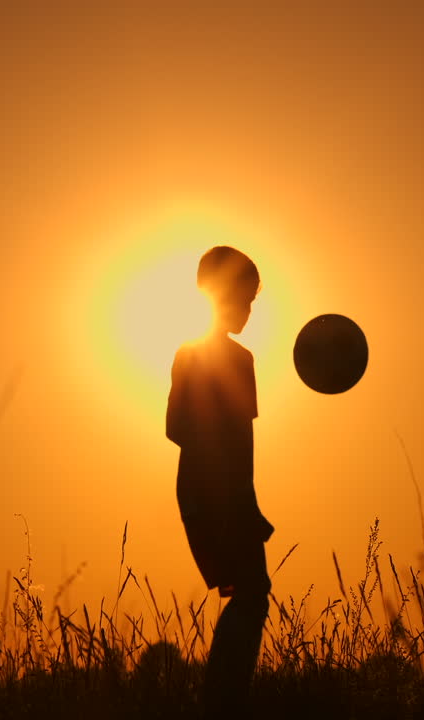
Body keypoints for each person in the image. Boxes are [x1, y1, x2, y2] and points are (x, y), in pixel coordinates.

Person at [166, 246, 273, 711]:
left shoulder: (190, 354)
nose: (248, 311)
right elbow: (237, 444)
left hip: (200, 491)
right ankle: (221, 703)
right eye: (243, 300)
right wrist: (240, 504)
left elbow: (175, 428)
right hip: (219, 494)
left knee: (250, 595)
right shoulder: (233, 359)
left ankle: (222, 699)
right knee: (252, 595)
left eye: (252, 302)